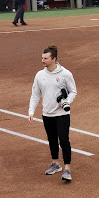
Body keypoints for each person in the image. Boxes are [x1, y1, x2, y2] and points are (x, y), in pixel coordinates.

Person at [28, 44, 77, 182]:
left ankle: (67, 168)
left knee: (64, 139)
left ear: (54, 59)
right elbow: (35, 94)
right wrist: (31, 110)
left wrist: (67, 101)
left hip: (61, 114)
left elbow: (73, 91)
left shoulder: (65, 74)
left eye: (46, 58)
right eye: (42, 58)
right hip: (47, 114)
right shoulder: (39, 75)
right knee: (51, 139)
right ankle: (55, 163)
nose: (43, 61)